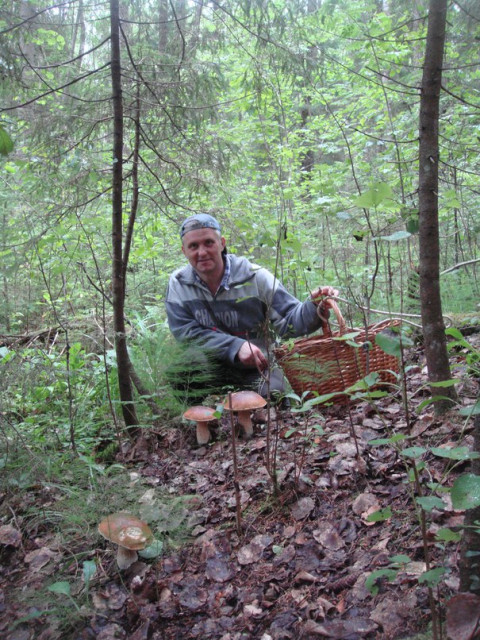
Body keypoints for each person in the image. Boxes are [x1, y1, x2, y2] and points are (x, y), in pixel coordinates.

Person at [165, 213, 338, 399]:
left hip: (257, 366)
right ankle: (203, 421)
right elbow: (186, 334)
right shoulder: (179, 284)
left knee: (272, 396)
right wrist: (235, 347)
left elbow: (289, 321)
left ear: (222, 243)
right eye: (193, 246)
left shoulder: (255, 277)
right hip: (210, 367)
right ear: (184, 251)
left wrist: (314, 306)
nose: (202, 252)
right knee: (184, 367)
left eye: (209, 243)